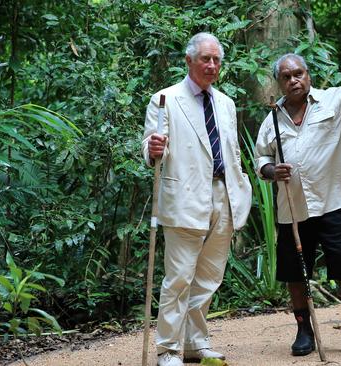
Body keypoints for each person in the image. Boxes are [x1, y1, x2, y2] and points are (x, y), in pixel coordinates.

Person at [254, 17, 341, 358]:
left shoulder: (335, 101)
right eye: (286, 77)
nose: (293, 80)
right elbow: (260, 157)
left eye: (298, 74)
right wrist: (269, 169)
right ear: (279, 83)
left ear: (308, 76)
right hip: (292, 208)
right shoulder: (271, 119)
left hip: (333, 201)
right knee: (295, 273)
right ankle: (304, 330)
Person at [142, 32, 252, 366]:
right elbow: (150, 144)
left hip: (225, 196)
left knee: (208, 278)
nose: (212, 65)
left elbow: (231, 152)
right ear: (189, 60)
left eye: (217, 59)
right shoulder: (164, 99)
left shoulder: (226, 103)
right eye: (205, 58)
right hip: (185, 198)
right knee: (178, 278)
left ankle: (195, 342)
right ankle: (169, 349)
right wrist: (153, 149)